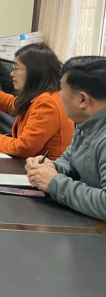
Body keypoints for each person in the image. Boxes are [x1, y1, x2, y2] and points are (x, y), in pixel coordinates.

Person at [0, 43, 74, 160]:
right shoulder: (40, 94)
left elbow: (24, 147)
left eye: (16, 68)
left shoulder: (46, 103)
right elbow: (13, 104)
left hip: (43, 167)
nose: (12, 73)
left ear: (34, 71)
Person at [25, 57, 106, 220]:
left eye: (61, 88)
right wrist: (52, 167)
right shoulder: (86, 123)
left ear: (82, 99)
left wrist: (55, 183)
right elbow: (69, 160)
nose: (59, 94)